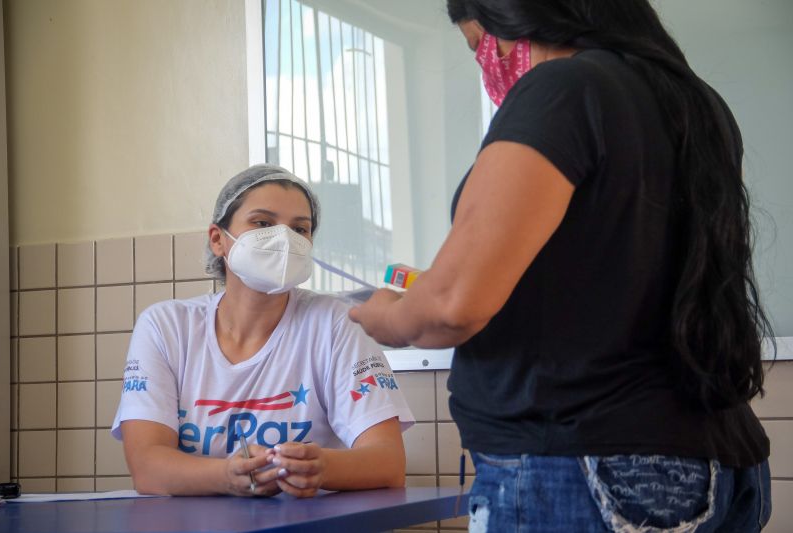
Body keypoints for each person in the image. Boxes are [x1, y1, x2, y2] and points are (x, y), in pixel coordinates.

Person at [349, 0, 774, 530]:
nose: (488, 64)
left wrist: (386, 315)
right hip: (721, 460)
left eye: (481, 45)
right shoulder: (695, 105)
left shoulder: (564, 88)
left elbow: (450, 309)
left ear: (518, 16)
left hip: (584, 464)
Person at [112, 164, 413, 498]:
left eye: (301, 229)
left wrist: (323, 467)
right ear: (218, 240)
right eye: (262, 223)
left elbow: (389, 464)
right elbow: (147, 468)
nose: (285, 239)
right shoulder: (166, 327)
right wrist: (226, 475)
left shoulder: (336, 324)